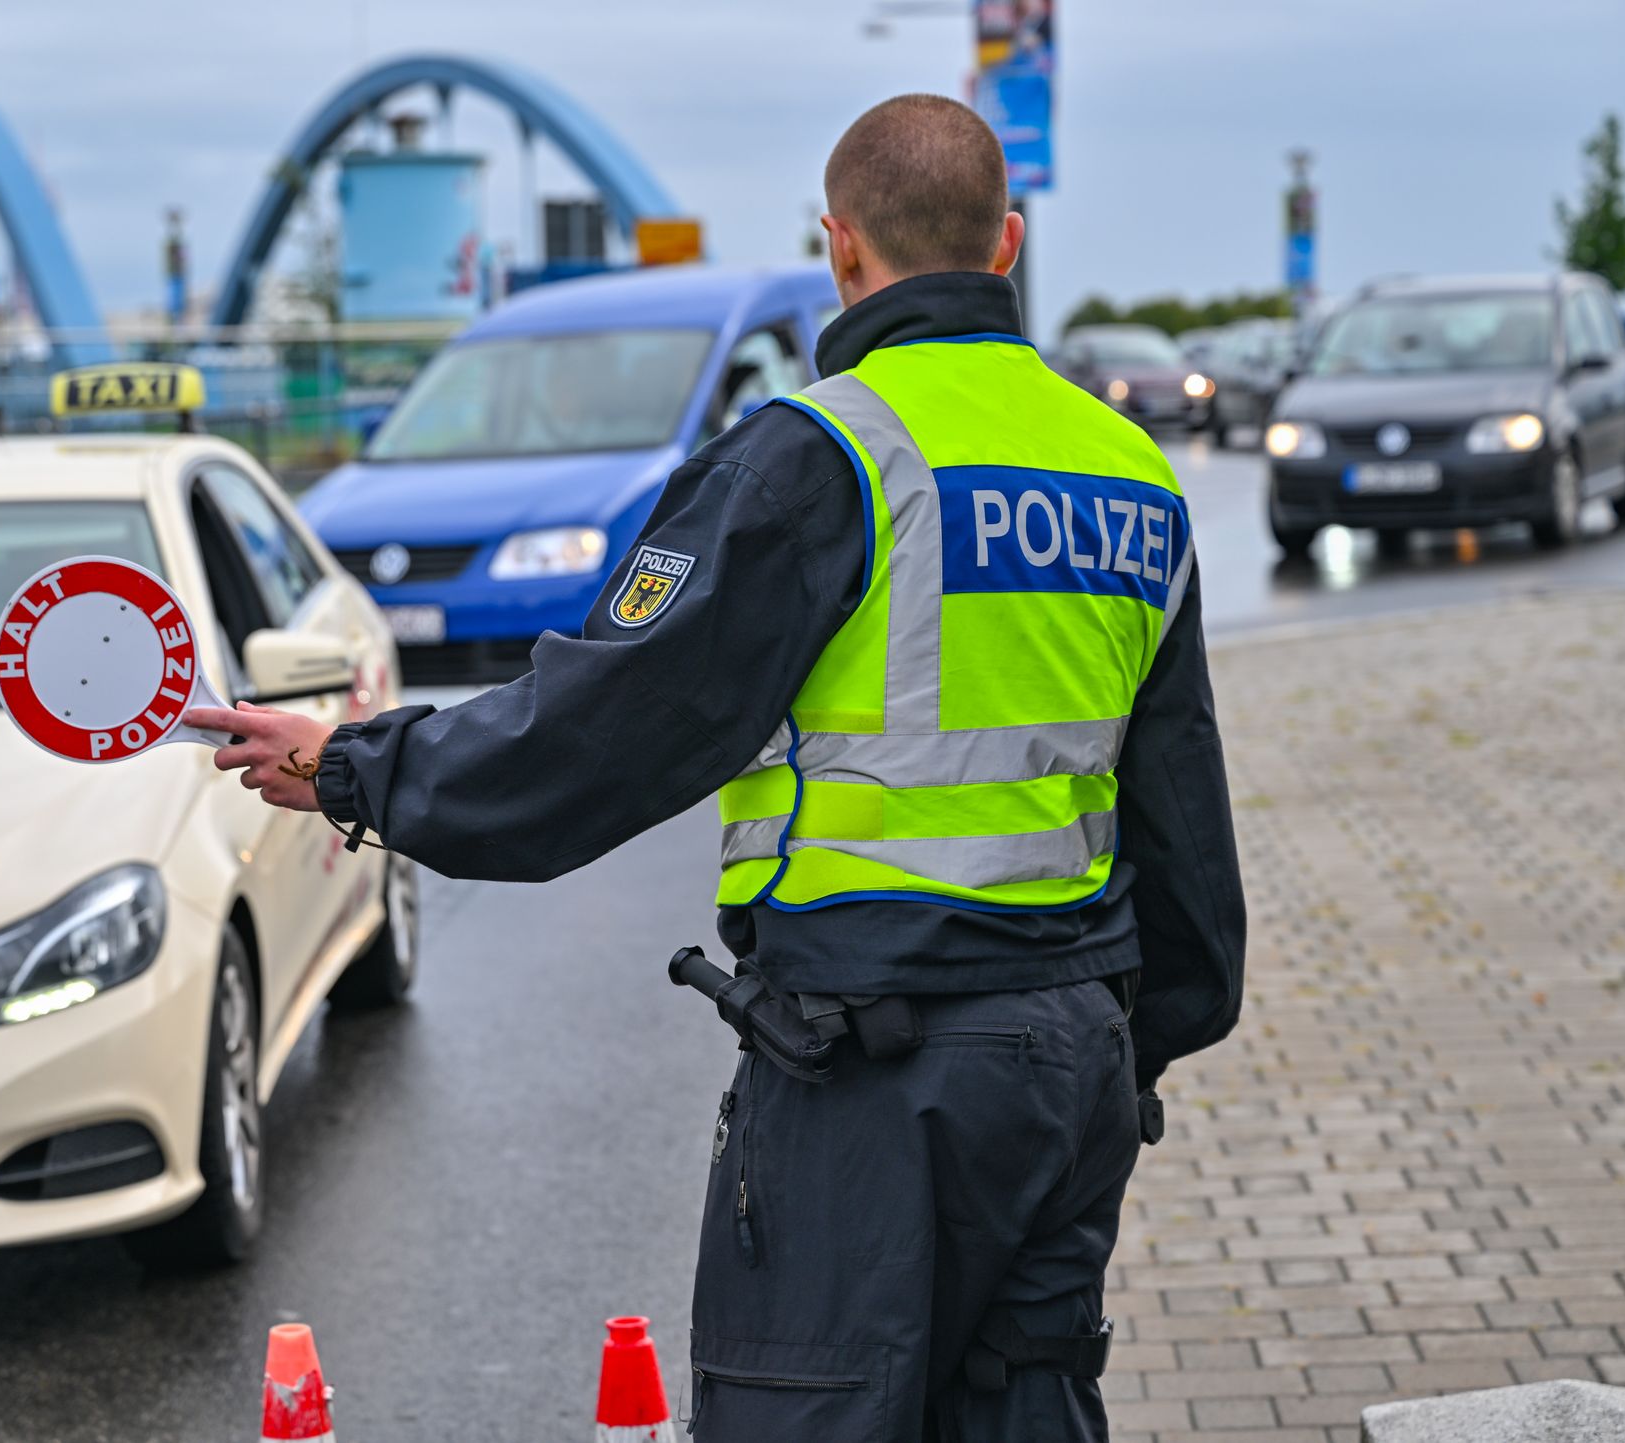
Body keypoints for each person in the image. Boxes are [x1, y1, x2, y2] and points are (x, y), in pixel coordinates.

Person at [187, 93, 1245, 1443]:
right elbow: (1184, 813)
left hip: (878, 1069)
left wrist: (357, 768)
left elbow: (606, 733)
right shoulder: (1128, 470)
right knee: (1028, 1414)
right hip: (1070, 1055)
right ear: (1007, 246)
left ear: (841, 248)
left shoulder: (824, 456)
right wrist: (1133, 1039)